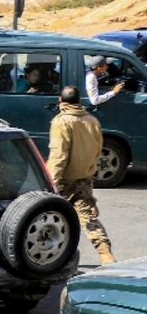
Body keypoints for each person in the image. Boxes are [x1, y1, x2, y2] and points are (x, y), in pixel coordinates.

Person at [48, 86, 116, 265]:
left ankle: (53, 259)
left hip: (63, 180)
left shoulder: (61, 122)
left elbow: (59, 155)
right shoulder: (92, 120)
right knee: (88, 217)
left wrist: (50, 182)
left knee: (52, 219)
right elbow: (98, 149)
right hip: (84, 178)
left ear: (60, 101)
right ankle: (105, 254)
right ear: (79, 101)